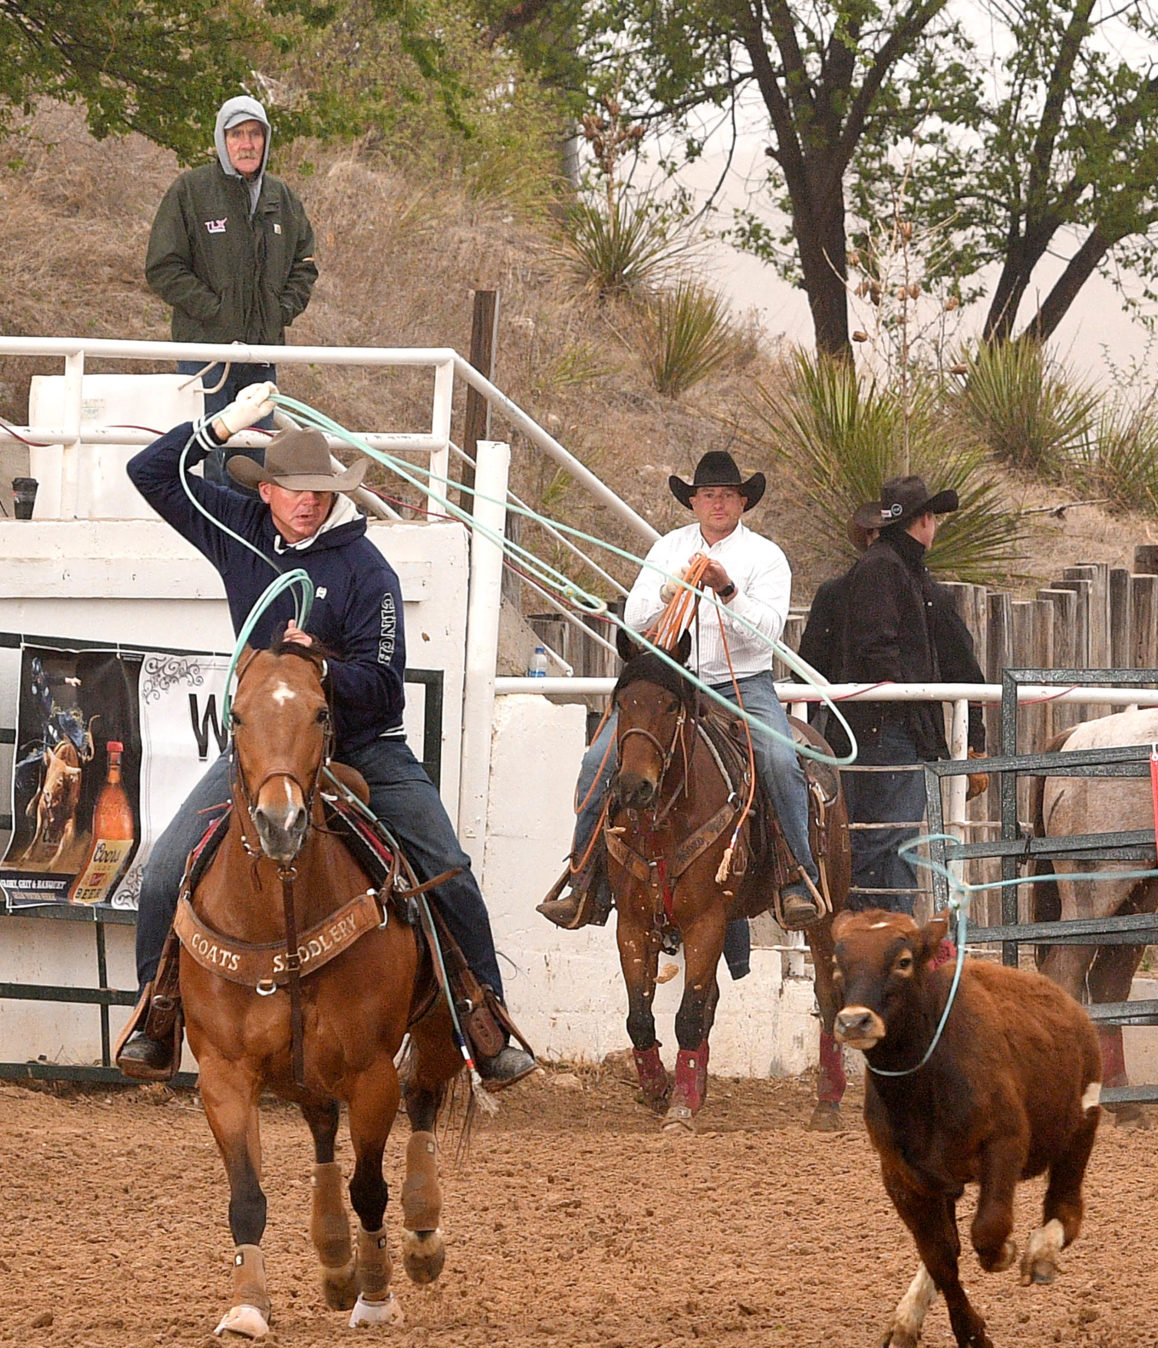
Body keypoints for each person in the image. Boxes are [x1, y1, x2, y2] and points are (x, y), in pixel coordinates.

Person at [113, 383, 534, 1085]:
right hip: (267, 753)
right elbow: (149, 475)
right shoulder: (239, 527)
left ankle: (484, 1014)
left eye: (318, 490)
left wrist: (324, 671)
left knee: (445, 867)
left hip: (362, 746)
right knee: (163, 872)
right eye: (290, 488)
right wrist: (218, 428)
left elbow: (386, 681)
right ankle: (158, 1012)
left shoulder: (368, 571)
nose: (306, 502)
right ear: (267, 490)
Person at [544, 451, 826, 932]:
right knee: (598, 762)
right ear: (694, 502)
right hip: (670, 682)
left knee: (778, 759)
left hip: (740, 686)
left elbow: (766, 637)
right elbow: (633, 622)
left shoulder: (765, 558)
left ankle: (796, 875)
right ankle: (582, 878)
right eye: (708, 495)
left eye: (727, 496)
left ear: (743, 502)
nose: (718, 504)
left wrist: (727, 589)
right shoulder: (668, 549)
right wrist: (667, 592)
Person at [806, 476, 985, 911]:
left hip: (881, 728)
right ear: (925, 521)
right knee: (887, 837)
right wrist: (911, 702)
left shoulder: (894, 571)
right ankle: (857, 930)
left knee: (889, 838)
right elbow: (877, 649)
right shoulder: (891, 571)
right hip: (887, 730)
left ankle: (880, 935)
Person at [145, 95, 318, 481]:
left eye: (254, 133)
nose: (246, 143)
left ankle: (247, 538)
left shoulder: (283, 199)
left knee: (253, 462)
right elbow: (163, 267)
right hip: (205, 358)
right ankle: (205, 536)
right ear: (222, 140)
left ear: (266, 140)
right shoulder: (191, 191)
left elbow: (304, 266)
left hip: (260, 358)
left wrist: (279, 310)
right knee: (207, 458)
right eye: (237, 134)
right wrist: (216, 311)